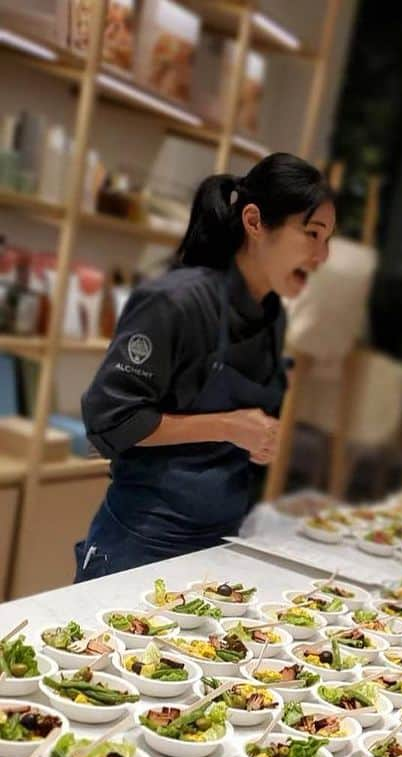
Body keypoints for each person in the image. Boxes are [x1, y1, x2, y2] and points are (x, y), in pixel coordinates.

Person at [76, 153, 334, 581]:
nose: (321, 256)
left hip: (220, 545)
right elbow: (110, 420)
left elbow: (250, 425)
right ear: (254, 222)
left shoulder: (272, 314)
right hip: (140, 544)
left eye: (328, 241)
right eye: (311, 234)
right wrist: (229, 426)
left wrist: (257, 441)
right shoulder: (175, 303)